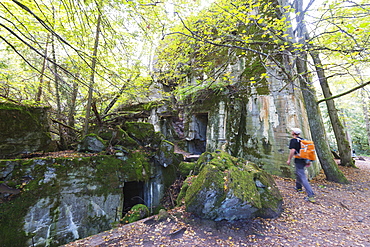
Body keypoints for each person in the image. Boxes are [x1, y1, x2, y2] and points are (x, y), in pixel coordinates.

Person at [286, 128, 316, 203]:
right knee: (298, 173)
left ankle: (310, 195)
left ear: (293, 132)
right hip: (304, 160)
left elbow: (292, 150)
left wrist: (289, 159)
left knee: (302, 176)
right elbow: (307, 151)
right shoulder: (302, 140)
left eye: (292, 130)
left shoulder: (294, 140)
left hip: (299, 160)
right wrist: (308, 161)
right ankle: (298, 187)